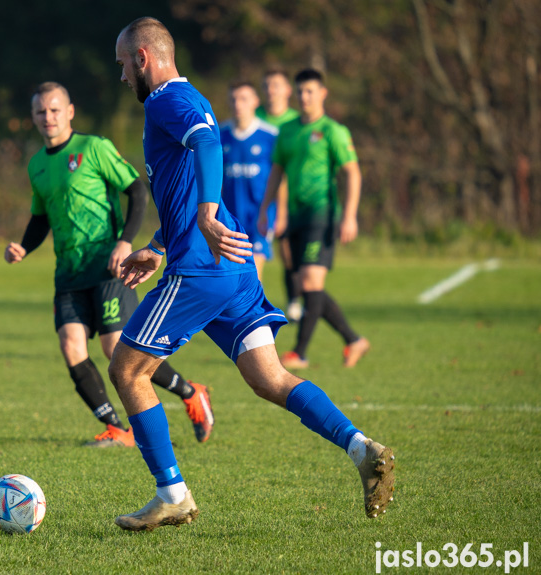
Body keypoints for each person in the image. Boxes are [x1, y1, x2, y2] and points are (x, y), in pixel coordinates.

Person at [109, 17, 394, 532]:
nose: (123, 77)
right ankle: (360, 448)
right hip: (232, 266)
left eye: (124, 65)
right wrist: (157, 245)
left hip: (202, 269)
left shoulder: (165, 100)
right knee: (270, 379)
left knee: (127, 371)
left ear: (144, 58)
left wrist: (206, 213)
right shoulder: (186, 96)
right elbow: (182, 180)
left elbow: (209, 148)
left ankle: (172, 494)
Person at [5, 81, 214, 447]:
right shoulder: (37, 164)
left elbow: (135, 190)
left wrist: (125, 241)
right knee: (71, 347)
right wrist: (23, 246)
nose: (48, 117)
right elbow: (41, 218)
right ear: (33, 117)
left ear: (69, 112)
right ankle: (117, 428)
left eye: (55, 110)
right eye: (41, 111)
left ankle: (190, 391)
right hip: (69, 271)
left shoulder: (94, 147)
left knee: (116, 348)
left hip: (108, 266)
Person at [258, 69, 370, 370]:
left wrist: (349, 216)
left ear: (323, 93)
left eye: (310, 91)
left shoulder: (333, 131)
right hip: (295, 216)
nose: (304, 97)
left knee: (309, 281)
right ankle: (353, 339)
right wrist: (264, 209)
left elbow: (352, 172)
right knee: (309, 286)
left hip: (322, 214)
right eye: (301, 92)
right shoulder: (289, 130)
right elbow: (277, 171)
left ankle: (299, 353)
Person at [256, 68, 303, 322]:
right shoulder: (255, 118)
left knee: (288, 251)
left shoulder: (295, 121)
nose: (270, 90)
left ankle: (294, 300)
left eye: (275, 85)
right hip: (257, 197)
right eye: (266, 85)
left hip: (290, 197)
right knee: (252, 257)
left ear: (287, 90)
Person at [219, 81, 278, 281]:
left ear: (255, 101)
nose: (238, 104)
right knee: (232, 276)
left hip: (260, 215)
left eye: (243, 99)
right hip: (230, 216)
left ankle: (259, 312)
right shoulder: (221, 135)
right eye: (233, 99)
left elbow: (280, 177)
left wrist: (281, 212)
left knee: (253, 274)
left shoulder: (269, 136)